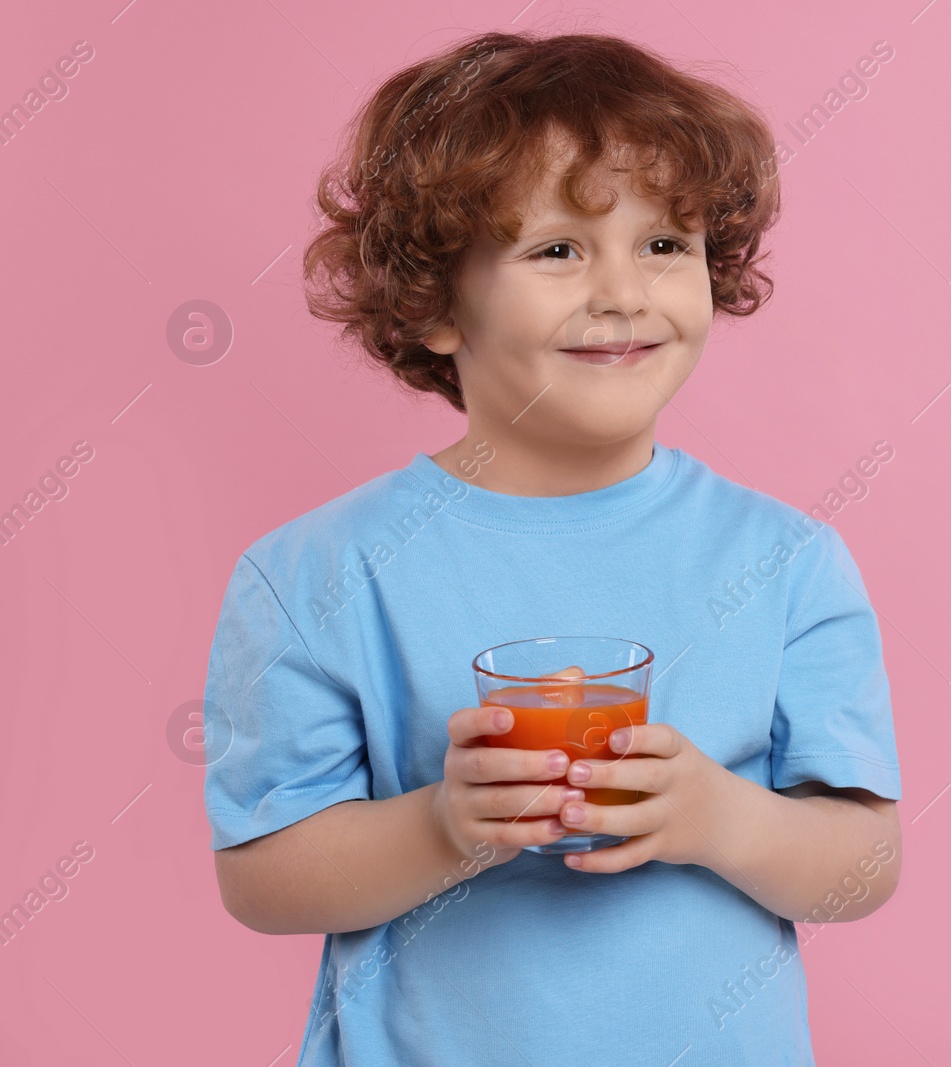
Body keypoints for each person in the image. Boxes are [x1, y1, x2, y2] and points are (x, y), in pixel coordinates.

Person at [202, 29, 903, 1067]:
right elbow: (262, 878)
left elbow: (866, 860)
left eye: (665, 244)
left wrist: (720, 816)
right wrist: (448, 824)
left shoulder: (788, 560)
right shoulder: (314, 573)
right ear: (437, 302)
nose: (623, 290)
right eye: (558, 249)